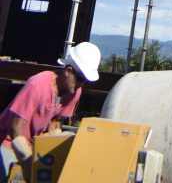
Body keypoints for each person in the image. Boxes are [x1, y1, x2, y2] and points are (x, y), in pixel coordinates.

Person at [0, 42, 101, 176]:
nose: (81, 84)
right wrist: (27, 160)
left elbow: (55, 123)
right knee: (13, 175)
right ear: (68, 71)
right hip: (7, 142)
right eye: (80, 79)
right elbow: (15, 128)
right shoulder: (38, 84)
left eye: (85, 81)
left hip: (33, 146)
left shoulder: (74, 92)